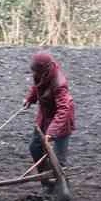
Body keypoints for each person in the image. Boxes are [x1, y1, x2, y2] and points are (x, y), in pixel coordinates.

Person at [22, 51, 76, 191]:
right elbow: (37, 86)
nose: (34, 74)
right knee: (35, 148)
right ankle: (47, 182)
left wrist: (52, 132)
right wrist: (30, 99)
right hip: (44, 118)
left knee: (58, 161)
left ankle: (63, 191)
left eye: (36, 71)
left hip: (61, 122)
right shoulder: (40, 74)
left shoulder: (59, 84)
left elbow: (64, 109)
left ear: (44, 69)